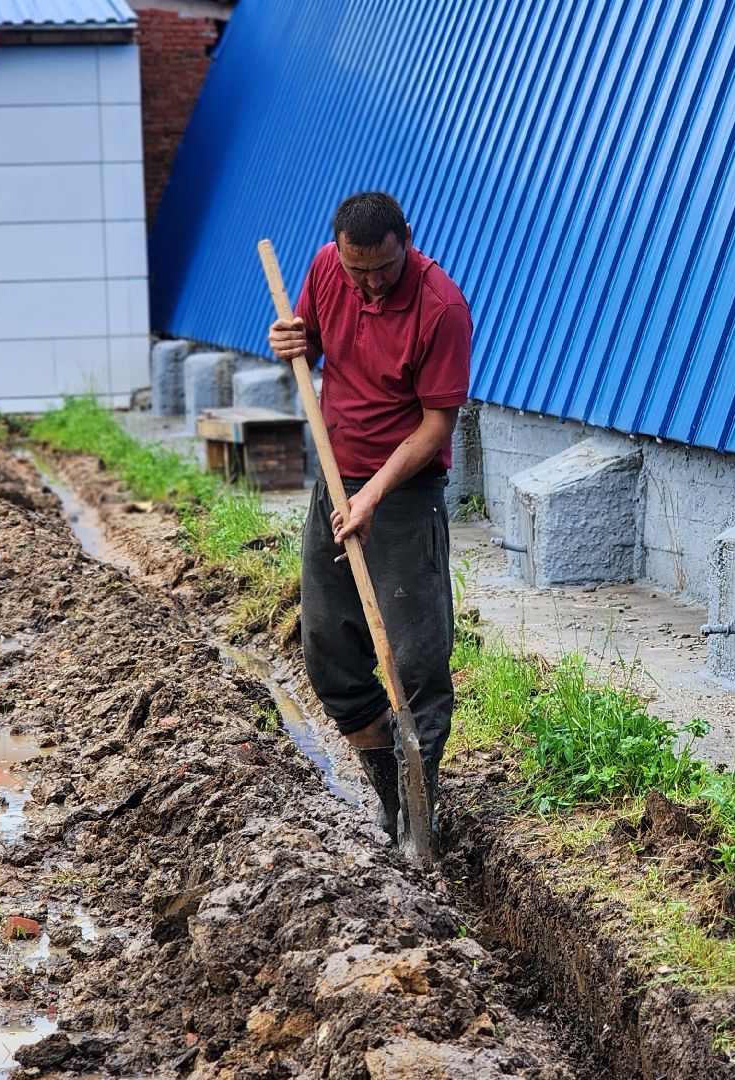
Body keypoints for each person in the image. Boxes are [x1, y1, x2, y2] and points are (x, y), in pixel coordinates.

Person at [267, 191, 471, 841]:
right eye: (359, 272)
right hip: (334, 478)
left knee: (415, 659)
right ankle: (390, 789)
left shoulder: (442, 308)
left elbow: (437, 425)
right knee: (327, 651)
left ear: (405, 239)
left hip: (402, 496)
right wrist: (289, 340)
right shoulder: (329, 267)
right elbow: (309, 346)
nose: (370, 284)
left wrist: (375, 493)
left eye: (382, 269)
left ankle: (419, 813)